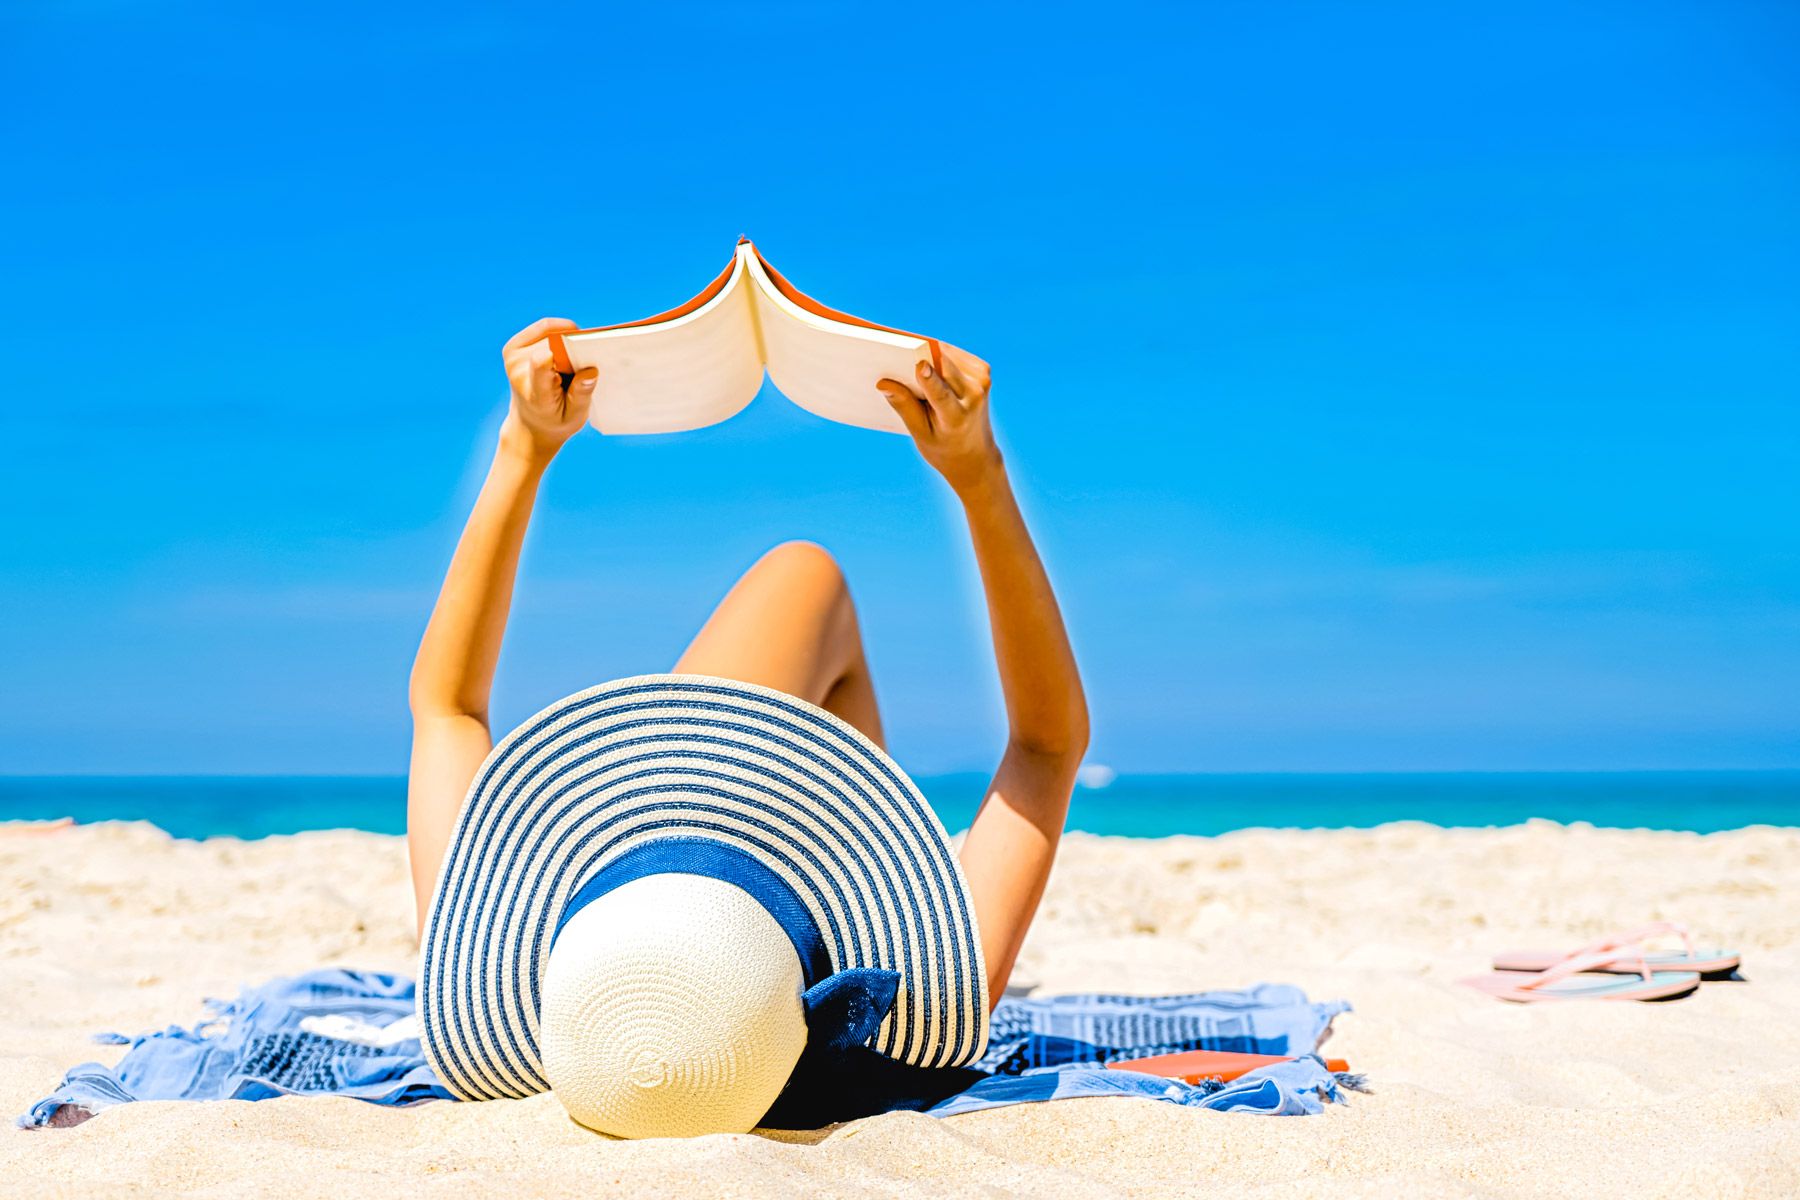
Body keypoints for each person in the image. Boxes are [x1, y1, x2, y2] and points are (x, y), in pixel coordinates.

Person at [406, 317, 1088, 1024]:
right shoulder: (917, 1006)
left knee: (807, 585)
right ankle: (827, 874)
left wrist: (524, 447)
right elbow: (1048, 744)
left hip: (628, 984)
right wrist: (979, 473)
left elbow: (445, 707)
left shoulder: (904, 1021)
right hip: (647, 949)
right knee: (806, 575)